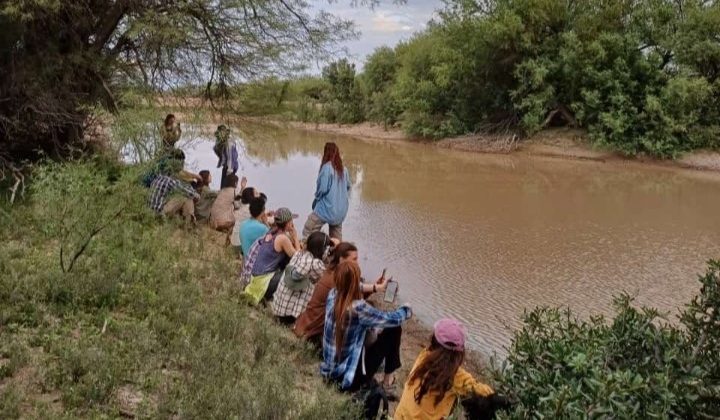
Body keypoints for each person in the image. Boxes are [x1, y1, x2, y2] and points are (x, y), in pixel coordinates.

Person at [321, 261, 411, 395]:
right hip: (347, 380)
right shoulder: (358, 308)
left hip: (329, 373)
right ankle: (387, 383)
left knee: (373, 328)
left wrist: (378, 287)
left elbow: (356, 287)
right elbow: (392, 319)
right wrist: (407, 309)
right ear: (355, 282)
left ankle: (387, 381)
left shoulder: (333, 294)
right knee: (394, 329)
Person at [394, 319, 496, 420]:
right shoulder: (455, 376)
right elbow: (484, 392)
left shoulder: (424, 356)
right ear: (458, 353)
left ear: (433, 341)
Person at [293, 243, 388, 347]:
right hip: (315, 334)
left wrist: (374, 287)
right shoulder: (335, 281)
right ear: (342, 260)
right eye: (354, 259)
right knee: (372, 330)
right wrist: (376, 288)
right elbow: (354, 300)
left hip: (310, 327)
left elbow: (353, 292)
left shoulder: (333, 273)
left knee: (369, 310)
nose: (357, 263)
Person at [271, 231, 336, 324]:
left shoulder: (299, 254)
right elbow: (331, 278)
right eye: (327, 248)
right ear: (322, 250)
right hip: (289, 315)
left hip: (279, 308)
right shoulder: (315, 264)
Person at [240, 208, 301, 305]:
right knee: (294, 271)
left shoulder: (271, 232)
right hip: (264, 283)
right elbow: (299, 258)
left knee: (285, 261)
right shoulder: (282, 238)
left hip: (255, 279)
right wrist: (295, 237)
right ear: (288, 223)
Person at [302, 142, 351, 241]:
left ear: (326, 153)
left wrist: (316, 199)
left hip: (326, 209)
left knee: (308, 230)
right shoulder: (344, 170)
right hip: (340, 212)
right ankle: (337, 254)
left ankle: (309, 252)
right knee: (336, 239)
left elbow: (322, 190)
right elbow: (348, 187)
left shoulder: (327, 168)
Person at [147, 152, 199, 223]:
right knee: (185, 197)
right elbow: (186, 191)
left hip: (149, 212)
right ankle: (190, 222)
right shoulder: (169, 181)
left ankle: (189, 221)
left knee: (181, 197)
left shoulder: (157, 178)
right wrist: (197, 195)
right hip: (159, 213)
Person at [213, 125, 239, 189]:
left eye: (222, 132)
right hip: (226, 166)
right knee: (223, 187)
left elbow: (230, 158)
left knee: (227, 187)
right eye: (219, 132)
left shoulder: (229, 142)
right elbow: (217, 151)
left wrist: (229, 170)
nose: (219, 135)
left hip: (230, 167)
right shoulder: (222, 141)